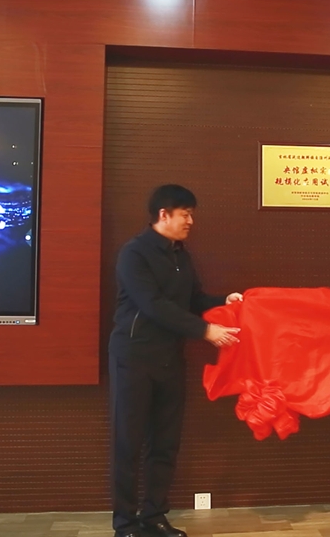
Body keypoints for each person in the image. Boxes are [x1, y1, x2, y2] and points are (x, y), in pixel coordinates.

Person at [108, 184, 242, 537]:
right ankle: (125, 524)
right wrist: (205, 330)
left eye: (191, 214)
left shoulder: (181, 255)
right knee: (128, 444)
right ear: (163, 214)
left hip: (170, 359)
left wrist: (224, 302)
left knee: (165, 443)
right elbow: (153, 304)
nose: (190, 221)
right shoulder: (134, 253)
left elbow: (194, 299)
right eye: (186, 214)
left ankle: (154, 516)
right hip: (134, 358)